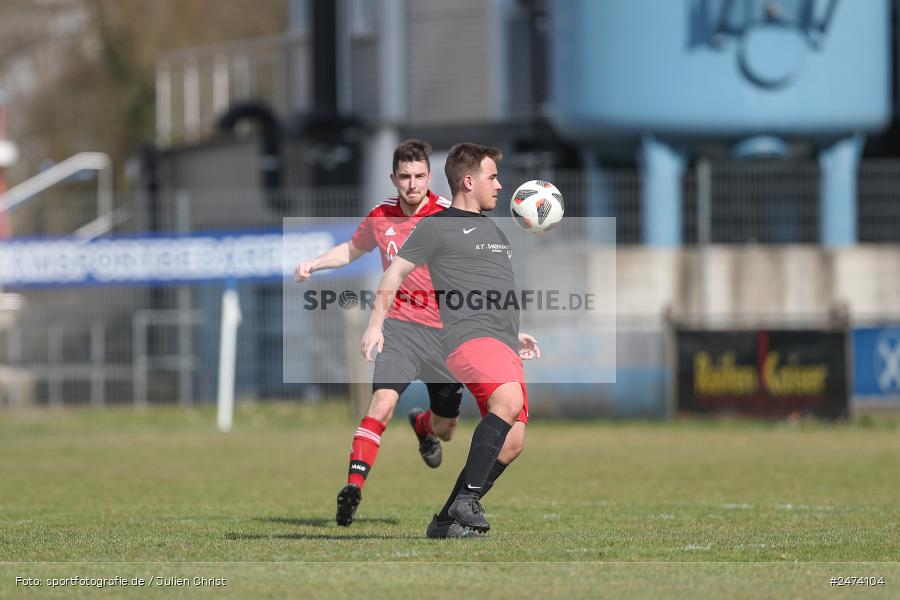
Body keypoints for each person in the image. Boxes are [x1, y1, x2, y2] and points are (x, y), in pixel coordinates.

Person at [361, 142, 539, 538]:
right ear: (469, 181)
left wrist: (514, 332)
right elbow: (393, 275)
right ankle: (467, 500)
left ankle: (443, 522)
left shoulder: (495, 231)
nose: (499, 185)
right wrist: (376, 324)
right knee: (506, 402)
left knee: (512, 443)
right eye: (493, 177)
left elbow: (492, 291)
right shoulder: (437, 226)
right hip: (467, 339)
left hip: (502, 342)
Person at [294, 139, 464, 527]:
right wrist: (315, 263)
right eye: (404, 176)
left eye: (419, 175)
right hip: (400, 330)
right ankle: (352, 488)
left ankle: (422, 425)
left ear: (429, 177)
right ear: (393, 178)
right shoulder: (380, 216)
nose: (412, 184)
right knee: (381, 406)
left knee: (447, 429)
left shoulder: (448, 216)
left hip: (444, 337)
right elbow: (352, 251)